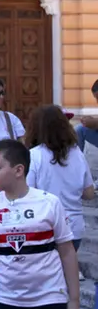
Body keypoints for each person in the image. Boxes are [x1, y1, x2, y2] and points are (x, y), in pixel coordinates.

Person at [0, 139, 80, 309]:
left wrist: (74, 300)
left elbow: (67, 252)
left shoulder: (49, 203)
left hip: (49, 299)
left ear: (18, 170)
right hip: (8, 300)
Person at [24, 105, 95, 280]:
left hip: (45, 227)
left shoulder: (34, 156)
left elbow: (27, 193)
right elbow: (89, 193)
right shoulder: (77, 153)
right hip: (74, 229)